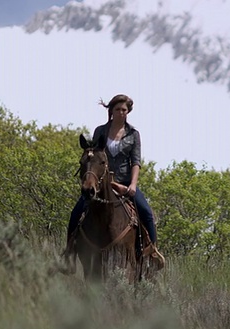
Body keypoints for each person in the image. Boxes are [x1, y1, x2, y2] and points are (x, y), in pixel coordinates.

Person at [67, 94, 163, 266]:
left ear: (128, 112)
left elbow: (136, 162)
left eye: (124, 110)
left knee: (147, 213)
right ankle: (69, 253)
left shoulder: (133, 134)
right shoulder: (100, 131)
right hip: (102, 183)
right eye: (118, 109)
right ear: (111, 110)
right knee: (75, 214)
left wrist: (132, 185)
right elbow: (94, 156)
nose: (121, 112)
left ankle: (153, 252)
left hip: (125, 182)